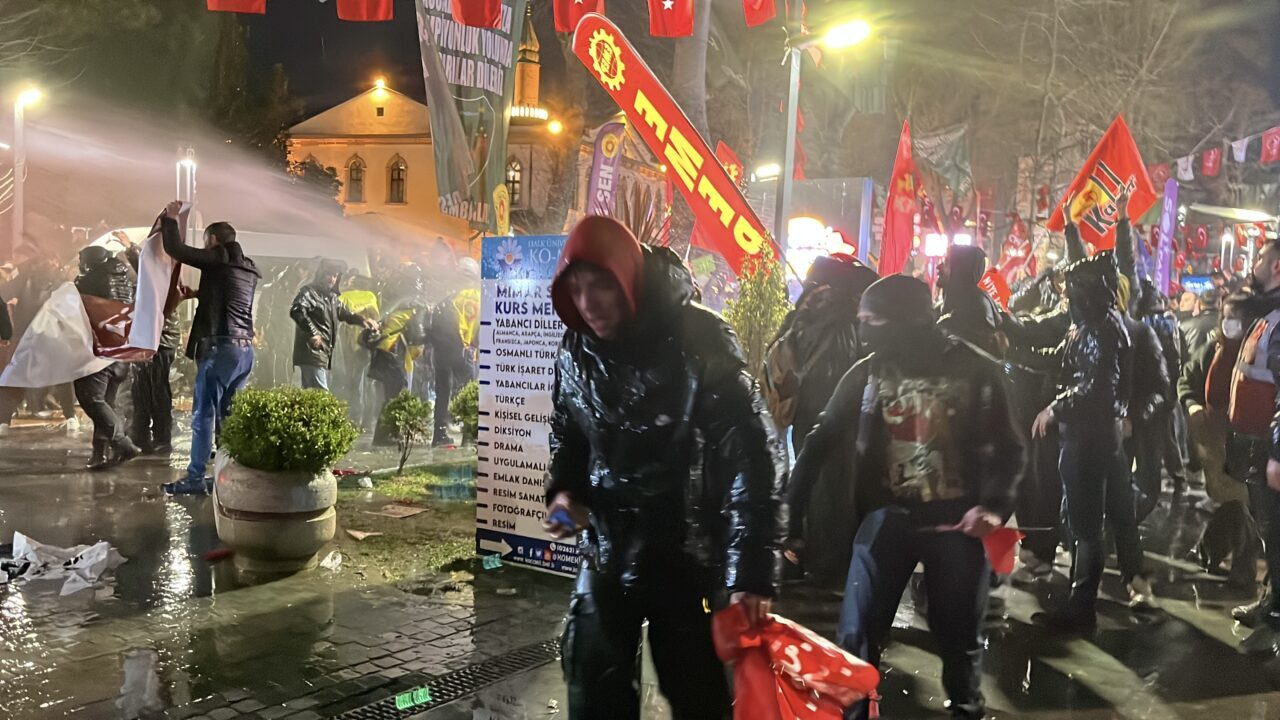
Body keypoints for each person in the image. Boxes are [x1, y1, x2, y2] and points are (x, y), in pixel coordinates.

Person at [541, 216, 782, 720]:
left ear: (627, 278)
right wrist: (566, 492)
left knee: (698, 697)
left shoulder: (699, 338)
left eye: (601, 285)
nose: (589, 303)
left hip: (685, 557)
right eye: (576, 289)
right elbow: (569, 433)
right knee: (592, 688)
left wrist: (750, 569)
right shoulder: (576, 349)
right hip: (606, 550)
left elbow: (751, 455)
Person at [786, 275, 1024, 720]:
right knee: (856, 636)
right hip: (887, 517)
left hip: (957, 524)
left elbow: (1010, 449)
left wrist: (994, 507)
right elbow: (819, 440)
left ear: (905, 321)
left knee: (959, 644)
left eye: (872, 320)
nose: (863, 330)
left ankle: (965, 710)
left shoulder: (976, 370)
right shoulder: (868, 373)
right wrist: (791, 517)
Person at [1030, 248, 1149, 631]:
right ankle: (1081, 601)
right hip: (1098, 437)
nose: (1065, 295)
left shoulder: (1099, 329)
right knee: (1089, 525)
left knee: (1086, 529)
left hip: (1087, 439)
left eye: (1071, 288)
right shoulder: (1097, 324)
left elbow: (1095, 388)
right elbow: (1062, 359)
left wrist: (1055, 408)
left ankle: (1080, 608)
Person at [762, 254, 877, 588]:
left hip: (803, 414)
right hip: (838, 416)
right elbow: (852, 370)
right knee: (835, 491)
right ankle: (829, 566)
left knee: (808, 480)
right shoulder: (846, 318)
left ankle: (800, 553)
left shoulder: (804, 311)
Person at [159, 202, 260, 495]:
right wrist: (198, 294)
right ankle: (228, 475)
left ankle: (194, 478)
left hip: (220, 349)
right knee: (229, 417)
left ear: (213, 240)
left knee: (204, 415)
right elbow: (229, 295)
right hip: (244, 352)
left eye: (206, 242)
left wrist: (169, 219)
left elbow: (175, 249)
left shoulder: (218, 256)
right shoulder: (248, 266)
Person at [72, 245, 142, 470]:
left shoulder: (89, 281)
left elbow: (73, 310)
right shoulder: (126, 280)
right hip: (121, 351)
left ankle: (122, 444)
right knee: (106, 403)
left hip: (98, 351)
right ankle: (99, 453)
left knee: (91, 399)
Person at [290, 259, 377, 391]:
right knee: (321, 392)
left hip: (322, 352)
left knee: (311, 392)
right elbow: (297, 310)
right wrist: (313, 333)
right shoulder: (309, 292)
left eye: (335, 276)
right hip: (311, 351)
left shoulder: (332, 297)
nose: (332, 279)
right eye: (329, 275)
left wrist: (362, 320)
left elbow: (345, 313)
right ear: (321, 274)